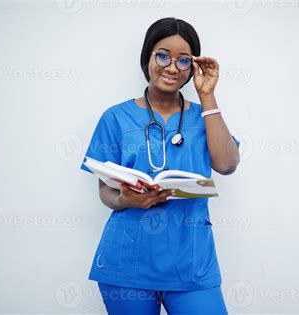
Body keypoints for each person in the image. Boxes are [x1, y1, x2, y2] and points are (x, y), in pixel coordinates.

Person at [80, 17, 240, 315]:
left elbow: (227, 164)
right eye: (163, 55)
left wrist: (207, 95)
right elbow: (105, 192)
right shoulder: (115, 118)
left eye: (183, 61)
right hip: (128, 262)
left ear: (193, 67)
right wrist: (124, 199)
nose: (171, 67)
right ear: (147, 57)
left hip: (191, 262)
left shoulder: (203, 116)